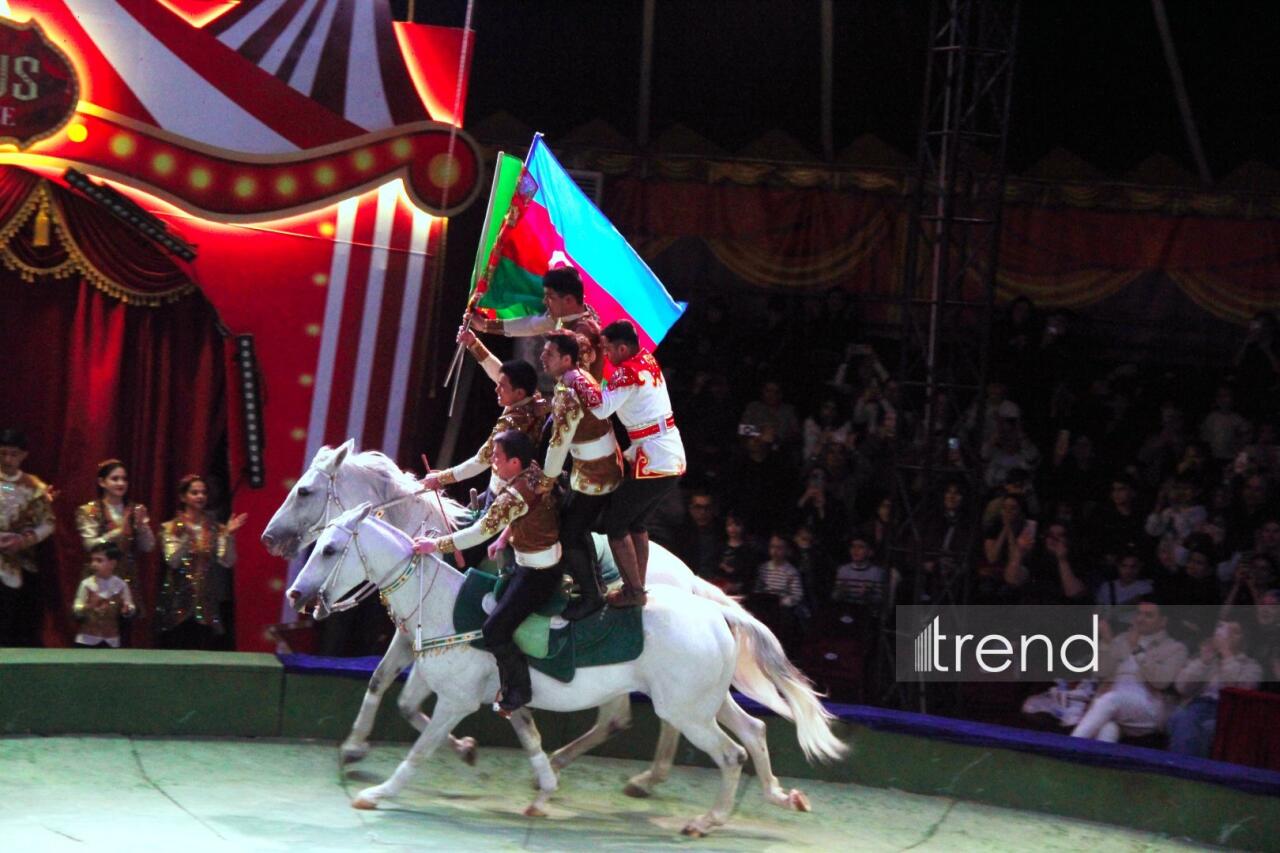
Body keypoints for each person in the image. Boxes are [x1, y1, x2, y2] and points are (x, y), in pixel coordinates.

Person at [413, 430, 559, 714]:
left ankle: (519, 691)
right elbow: (527, 514)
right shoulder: (533, 475)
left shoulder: (515, 494)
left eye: (497, 456)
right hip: (532, 558)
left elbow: (480, 532)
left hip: (537, 572)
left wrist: (434, 544)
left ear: (514, 463)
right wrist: (504, 539)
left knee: (493, 631)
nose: (491, 460)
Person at [581, 319, 686, 608]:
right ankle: (638, 584)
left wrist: (579, 378)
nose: (606, 355)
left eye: (608, 350)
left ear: (623, 347)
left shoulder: (626, 373)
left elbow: (601, 408)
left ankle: (634, 592)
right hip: (669, 454)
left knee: (616, 524)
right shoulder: (646, 359)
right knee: (637, 522)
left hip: (653, 460)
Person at [536, 330, 623, 620]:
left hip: (597, 474)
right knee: (572, 522)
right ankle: (591, 585)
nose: (542, 358)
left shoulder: (569, 392)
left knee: (569, 532)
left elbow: (558, 443)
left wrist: (545, 482)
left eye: (549, 354)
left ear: (566, 359)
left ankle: (591, 595)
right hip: (597, 467)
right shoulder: (578, 378)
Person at [424, 352, 551, 533]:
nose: (496, 389)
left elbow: (481, 461)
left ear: (519, 392)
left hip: (503, 493)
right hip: (503, 488)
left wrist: (441, 478)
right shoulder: (532, 398)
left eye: (502, 386)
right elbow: (499, 373)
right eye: (498, 384)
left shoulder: (510, 424)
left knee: (464, 544)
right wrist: (474, 344)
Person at [1071, 598, 1188, 743]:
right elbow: (1101, 673)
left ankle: (1067, 748)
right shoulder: (1121, 639)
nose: (1140, 619)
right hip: (1114, 704)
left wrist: (1136, 649)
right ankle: (1094, 763)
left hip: (1149, 707)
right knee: (1108, 728)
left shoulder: (1175, 648)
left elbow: (1161, 683)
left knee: (1111, 700)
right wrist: (1108, 642)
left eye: (1148, 615)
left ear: (1163, 622)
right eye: (1139, 614)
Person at [157, 474, 248, 649]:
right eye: (194, 492)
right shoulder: (171, 527)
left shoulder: (215, 527)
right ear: (183, 497)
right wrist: (186, 540)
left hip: (206, 602)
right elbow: (172, 561)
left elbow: (227, 561)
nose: (200, 496)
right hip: (177, 601)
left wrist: (228, 536)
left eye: (203, 493)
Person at [470, 266, 606, 380]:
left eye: (550, 297)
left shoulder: (583, 334)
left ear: (569, 300)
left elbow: (580, 392)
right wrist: (485, 325)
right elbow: (531, 325)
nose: (544, 301)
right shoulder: (567, 316)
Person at [1168, 620, 1263, 757]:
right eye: (1223, 628)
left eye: (1234, 632)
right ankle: (1181, 771)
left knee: (1209, 729)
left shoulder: (1252, 667)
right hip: (1197, 706)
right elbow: (1181, 687)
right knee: (1181, 717)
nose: (1226, 635)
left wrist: (1227, 654)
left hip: (1226, 712)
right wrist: (1203, 662)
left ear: (1244, 639)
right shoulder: (1205, 658)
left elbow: (1240, 691)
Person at [0, 428, 54, 646]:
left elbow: (48, 523)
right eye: (3, 453)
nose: (8, 459)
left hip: (19, 559)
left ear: (23, 455)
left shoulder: (34, 487)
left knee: (14, 620)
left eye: (13, 454)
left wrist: (23, 540)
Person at [75, 459, 155, 591]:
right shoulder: (89, 510)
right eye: (115, 479)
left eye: (124, 479)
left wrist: (142, 527)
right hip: (99, 578)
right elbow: (90, 545)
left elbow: (148, 546)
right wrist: (118, 532)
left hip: (127, 576)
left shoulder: (135, 509)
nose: (121, 483)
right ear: (102, 482)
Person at [72, 543, 136, 648]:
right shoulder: (87, 584)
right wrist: (88, 607)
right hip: (87, 639)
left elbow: (129, 605)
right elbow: (76, 608)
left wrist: (127, 609)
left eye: (99, 560)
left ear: (112, 563)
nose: (94, 564)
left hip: (111, 639)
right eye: (92, 560)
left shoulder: (120, 585)